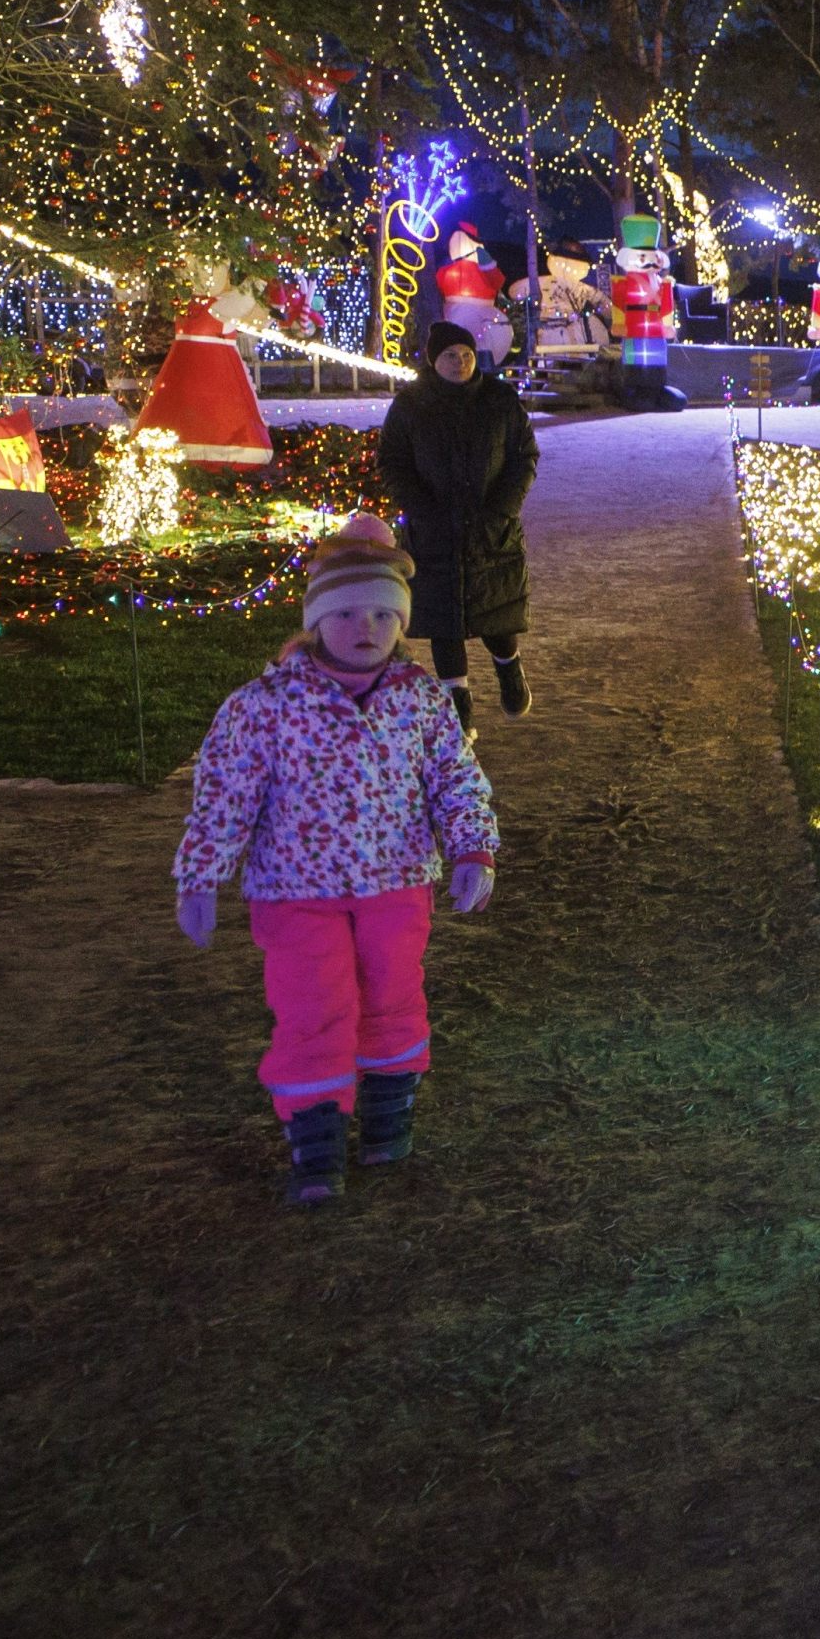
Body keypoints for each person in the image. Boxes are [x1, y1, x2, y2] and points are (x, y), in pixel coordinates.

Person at [173, 515, 499, 1205]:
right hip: (296, 891)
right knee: (313, 1005)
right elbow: (225, 794)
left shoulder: (419, 702)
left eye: (385, 613)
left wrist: (473, 845)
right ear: (317, 619)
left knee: (391, 994)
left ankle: (388, 1111)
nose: (367, 626)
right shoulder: (264, 707)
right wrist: (201, 875)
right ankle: (316, 1141)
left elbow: (455, 778)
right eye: (348, 611)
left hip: (395, 883)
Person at [376, 320, 540, 728]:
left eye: (466, 355)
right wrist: (420, 508)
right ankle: (458, 703)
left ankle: (509, 670)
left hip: (491, 526)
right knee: (443, 620)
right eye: (450, 355)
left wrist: (503, 508)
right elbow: (393, 461)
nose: (460, 362)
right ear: (434, 360)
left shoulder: (500, 399)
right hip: (434, 529)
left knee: (496, 611)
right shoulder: (412, 404)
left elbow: (525, 456)